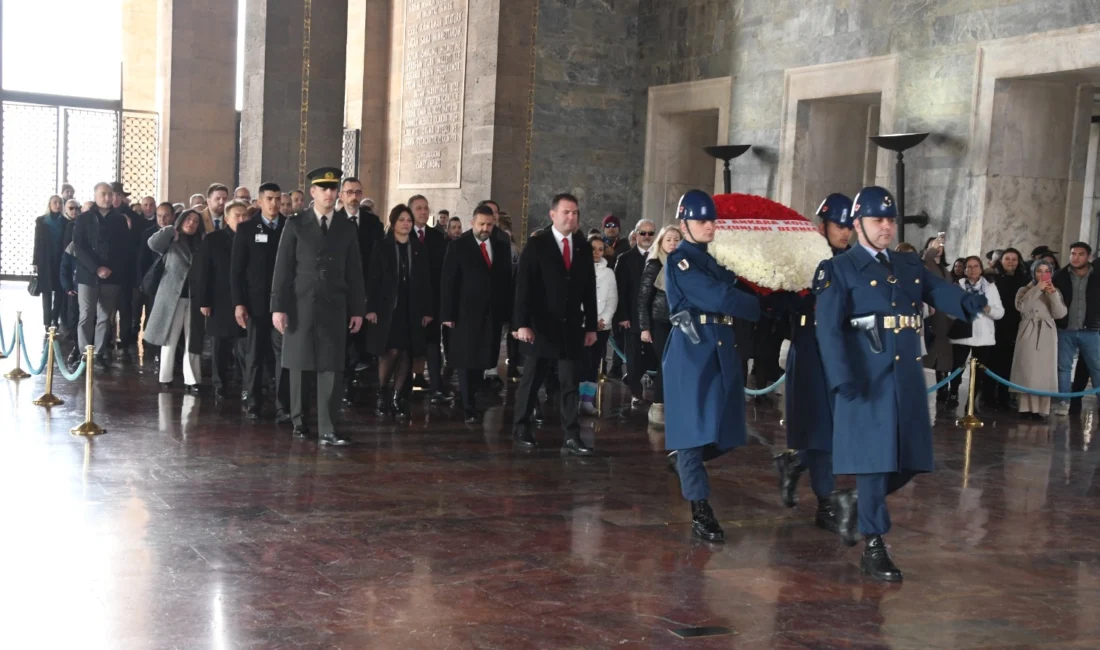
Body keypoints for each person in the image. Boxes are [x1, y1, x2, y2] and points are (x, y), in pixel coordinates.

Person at [815, 185, 986, 581]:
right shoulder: (838, 269)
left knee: (911, 460)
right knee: (874, 463)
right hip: (865, 376)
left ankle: (855, 501)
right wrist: (841, 379)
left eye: (891, 220)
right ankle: (874, 545)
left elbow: (937, 289)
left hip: (906, 375)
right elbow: (829, 331)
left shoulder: (907, 266)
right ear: (858, 225)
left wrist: (967, 302)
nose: (887, 227)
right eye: (878, 220)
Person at [662, 190, 761, 542]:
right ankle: (700, 509)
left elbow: (736, 285)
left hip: (719, 346)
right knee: (692, 431)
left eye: (712, 220)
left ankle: (685, 461)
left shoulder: (715, 259)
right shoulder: (681, 261)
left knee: (728, 431)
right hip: (692, 350)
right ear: (685, 223)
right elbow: (719, 296)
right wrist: (758, 306)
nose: (709, 226)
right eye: (702, 220)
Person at [775, 192, 853, 535]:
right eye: (840, 225)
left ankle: (795, 462)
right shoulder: (805, 260)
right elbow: (781, 301)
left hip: (844, 353)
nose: (846, 232)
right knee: (823, 431)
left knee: (835, 432)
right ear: (823, 226)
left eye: (850, 226)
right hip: (811, 351)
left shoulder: (854, 262)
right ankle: (825, 503)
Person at [271, 168, 366, 446]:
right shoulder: (296, 224)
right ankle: (299, 422)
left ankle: (328, 428)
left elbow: (355, 271)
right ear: (312, 192)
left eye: (333, 188)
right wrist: (278, 307)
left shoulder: (346, 227)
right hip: (301, 304)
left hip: (334, 305)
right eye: (323, 188)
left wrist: (357, 309)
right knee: (299, 365)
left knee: (331, 368)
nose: (329, 193)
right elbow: (283, 269)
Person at [511, 192, 598, 455]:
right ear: (553, 215)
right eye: (566, 212)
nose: (571, 217)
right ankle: (521, 428)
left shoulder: (582, 246)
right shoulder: (537, 245)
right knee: (532, 381)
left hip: (571, 328)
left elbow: (589, 290)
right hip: (540, 327)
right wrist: (522, 324)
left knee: (570, 382)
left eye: (575, 213)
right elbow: (523, 288)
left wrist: (591, 326)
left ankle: (572, 436)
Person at [439, 205, 514, 422]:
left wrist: (507, 313)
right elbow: (448, 282)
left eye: (489, 224)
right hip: (464, 314)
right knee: (465, 359)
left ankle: (472, 399)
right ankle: (467, 404)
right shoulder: (458, 246)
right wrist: (447, 314)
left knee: (482, 358)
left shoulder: (500, 246)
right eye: (481, 224)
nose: (485, 228)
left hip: (491, 314)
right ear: (472, 223)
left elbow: (505, 281)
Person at [365, 204, 432, 419]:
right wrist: (371, 308)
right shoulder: (382, 246)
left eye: (409, 220)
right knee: (390, 351)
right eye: (402, 219)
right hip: (387, 308)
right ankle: (382, 391)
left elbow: (426, 282)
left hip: (411, 307)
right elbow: (372, 279)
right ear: (393, 222)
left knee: (406, 352)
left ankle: (397, 396)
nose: (406, 223)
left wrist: (427, 310)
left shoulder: (419, 248)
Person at [232, 182, 290, 422]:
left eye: (278, 199)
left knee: (282, 356)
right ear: (259, 202)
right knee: (254, 355)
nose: (274, 203)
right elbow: (236, 270)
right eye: (269, 198)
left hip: (283, 304)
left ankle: (282, 405)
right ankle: (254, 402)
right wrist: (239, 303)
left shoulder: (290, 227)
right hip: (255, 303)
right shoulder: (247, 229)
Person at [72, 182, 133, 371]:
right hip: (88, 275)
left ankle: (98, 353)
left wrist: (110, 268)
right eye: (103, 194)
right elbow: (79, 247)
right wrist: (96, 268)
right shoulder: (83, 219)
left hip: (112, 276)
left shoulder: (120, 220)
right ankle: (84, 354)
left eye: (110, 194)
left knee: (105, 316)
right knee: (86, 315)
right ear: (96, 195)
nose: (107, 198)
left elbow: (124, 249)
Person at [143, 209, 204, 391]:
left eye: (195, 221)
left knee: (193, 339)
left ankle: (192, 380)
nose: (191, 223)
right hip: (172, 296)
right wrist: (170, 229)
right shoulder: (171, 239)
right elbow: (152, 243)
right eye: (188, 219)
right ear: (181, 220)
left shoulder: (202, 243)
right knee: (170, 337)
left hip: (194, 297)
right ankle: (165, 377)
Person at [195, 199, 247, 400]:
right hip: (219, 300)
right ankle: (219, 384)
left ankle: (242, 382)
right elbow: (203, 273)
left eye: (244, 216)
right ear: (227, 219)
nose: (241, 220)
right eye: (237, 216)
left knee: (243, 346)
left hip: (244, 299)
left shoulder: (251, 237)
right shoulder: (213, 240)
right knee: (220, 346)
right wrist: (204, 301)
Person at [408, 194, 452, 403]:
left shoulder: (437, 236)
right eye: (418, 208)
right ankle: (404, 387)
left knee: (433, 344)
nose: (423, 212)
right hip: (409, 302)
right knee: (408, 345)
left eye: (426, 208)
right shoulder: (403, 234)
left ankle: (437, 387)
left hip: (433, 300)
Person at [637, 225, 682, 424]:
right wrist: (644, 327)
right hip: (659, 321)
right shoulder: (655, 264)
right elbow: (643, 299)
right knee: (666, 362)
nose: (673, 243)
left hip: (680, 322)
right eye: (669, 239)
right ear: (661, 242)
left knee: (677, 364)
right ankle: (658, 405)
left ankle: (673, 404)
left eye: (676, 239)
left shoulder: (684, 264)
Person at [1011, 260, 1066, 420]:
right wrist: (1037, 289)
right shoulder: (1024, 289)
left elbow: (1060, 313)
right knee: (1028, 370)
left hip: (1047, 333)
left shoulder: (1054, 290)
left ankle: (1041, 410)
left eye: (1046, 271)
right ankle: (1025, 408)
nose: (1042, 274)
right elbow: (1021, 307)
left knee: (1044, 372)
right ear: (1033, 273)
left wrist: (1052, 294)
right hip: (1029, 330)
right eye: (1039, 271)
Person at [947, 256, 1004, 410]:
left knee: (979, 371)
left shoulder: (990, 287)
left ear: (981, 268)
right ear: (964, 270)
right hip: (962, 334)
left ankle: (971, 401)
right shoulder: (957, 286)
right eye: (969, 266)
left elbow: (1000, 313)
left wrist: (987, 309)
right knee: (957, 367)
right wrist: (964, 309)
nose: (973, 270)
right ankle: (953, 394)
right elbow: (949, 312)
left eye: (976, 266)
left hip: (984, 336)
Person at [1052, 242, 1100, 416]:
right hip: (1065, 329)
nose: (1076, 257)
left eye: (1080, 254)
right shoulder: (1059, 276)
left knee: (1097, 367)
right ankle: (1063, 403)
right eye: (1073, 254)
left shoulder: (1097, 275)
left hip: (1091, 330)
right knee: (1063, 367)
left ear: (1088, 256)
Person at [614, 218, 657, 406]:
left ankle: (634, 376)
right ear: (636, 234)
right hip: (631, 316)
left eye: (650, 233)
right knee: (632, 354)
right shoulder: (625, 259)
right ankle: (635, 392)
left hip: (654, 317)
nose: (646, 237)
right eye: (643, 233)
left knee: (650, 355)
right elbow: (620, 290)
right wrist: (622, 316)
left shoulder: (660, 259)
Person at [579, 234, 618, 416]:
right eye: (593, 248)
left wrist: (604, 318)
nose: (596, 252)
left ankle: (588, 400)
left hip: (602, 325)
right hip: (581, 324)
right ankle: (576, 399)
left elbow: (612, 299)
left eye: (600, 249)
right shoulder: (578, 268)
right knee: (581, 362)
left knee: (594, 363)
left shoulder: (608, 272)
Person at [135, 202, 177, 363]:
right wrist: (141, 282)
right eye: (159, 215)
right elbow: (141, 259)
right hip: (153, 280)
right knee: (153, 312)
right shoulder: (148, 233)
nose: (162, 219)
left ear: (172, 216)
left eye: (166, 215)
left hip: (171, 281)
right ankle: (151, 345)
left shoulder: (176, 233)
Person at [990, 248, 1029, 409]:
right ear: (1001, 260)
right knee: (993, 362)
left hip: (1015, 325)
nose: (1011, 262)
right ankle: (989, 396)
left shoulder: (1025, 280)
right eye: (1007, 259)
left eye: (1014, 259)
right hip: (996, 325)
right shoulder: (993, 278)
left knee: (1009, 363)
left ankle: (1005, 397)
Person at [32, 194, 67, 331]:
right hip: (45, 260)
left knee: (59, 290)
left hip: (60, 260)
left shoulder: (65, 222)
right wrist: (35, 261)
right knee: (46, 291)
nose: (57, 205)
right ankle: (47, 321)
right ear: (49, 204)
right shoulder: (41, 221)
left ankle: (55, 318)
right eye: (55, 202)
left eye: (60, 202)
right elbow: (37, 242)